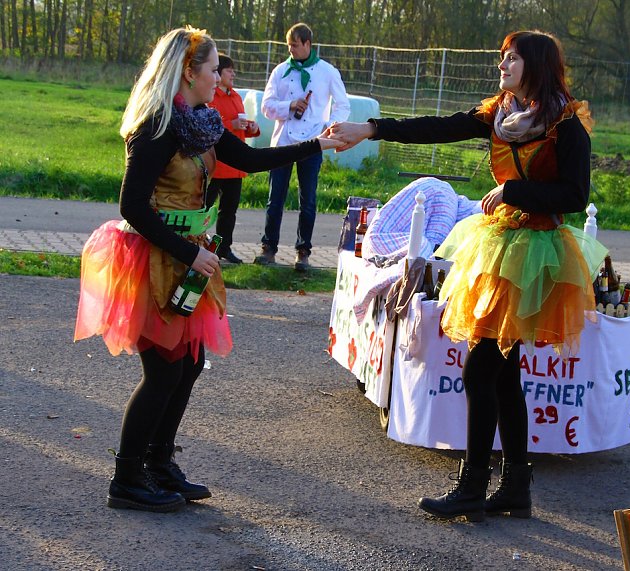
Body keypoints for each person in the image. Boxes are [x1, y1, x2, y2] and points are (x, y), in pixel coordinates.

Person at [327, 30, 597, 522]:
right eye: (501, 58)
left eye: (511, 59)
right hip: (497, 247)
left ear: (534, 65)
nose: (502, 66)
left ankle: (474, 486)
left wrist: (516, 192)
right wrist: (372, 129)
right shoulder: (499, 113)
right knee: (505, 374)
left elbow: (574, 196)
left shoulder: (564, 123)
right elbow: (440, 126)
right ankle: (515, 486)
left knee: (481, 369)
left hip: (534, 253)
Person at [74, 26, 342, 513]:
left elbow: (253, 159)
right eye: (214, 68)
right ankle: (127, 478)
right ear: (188, 72)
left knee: (189, 363)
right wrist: (188, 250)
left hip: (188, 257)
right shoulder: (156, 126)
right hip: (156, 258)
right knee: (163, 371)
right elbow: (132, 205)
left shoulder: (202, 122)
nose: (220, 76)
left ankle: (158, 463)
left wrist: (318, 144)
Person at [255, 22, 350, 271]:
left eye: (295, 45)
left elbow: (343, 105)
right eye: (289, 45)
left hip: (312, 142)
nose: (291, 49)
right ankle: (268, 248)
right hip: (283, 142)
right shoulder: (280, 71)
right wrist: (289, 105)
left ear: (308, 44)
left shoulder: (327, 72)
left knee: (308, 199)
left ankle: (303, 251)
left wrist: (328, 126)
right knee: (275, 198)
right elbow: (266, 106)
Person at [207, 53, 261, 264]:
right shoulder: (210, 97)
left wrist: (251, 129)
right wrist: (231, 125)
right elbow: (210, 127)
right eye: (229, 70)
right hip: (216, 164)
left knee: (228, 211)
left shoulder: (236, 96)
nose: (233, 73)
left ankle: (223, 248)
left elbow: (240, 128)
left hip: (235, 165)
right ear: (218, 74)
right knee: (203, 206)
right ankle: (193, 242)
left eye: (233, 70)